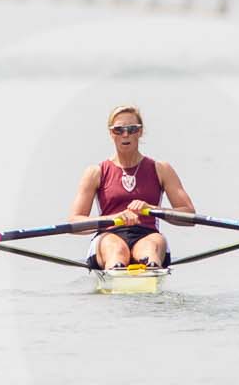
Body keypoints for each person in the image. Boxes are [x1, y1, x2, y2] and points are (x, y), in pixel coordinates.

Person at [69, 104, 193, 269]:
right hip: (109, 234)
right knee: (116, 251)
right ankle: (116, 269)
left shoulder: (161, 169)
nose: (125, 134)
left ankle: (149, 268)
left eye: (132, 129)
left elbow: (189, 214)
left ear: (140, 132)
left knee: (150, 250)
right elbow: (74, 222)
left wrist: (151, 208)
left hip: (148, 234)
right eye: (119, 130)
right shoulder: (95, 172)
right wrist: (115, 218)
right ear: (111, 133)